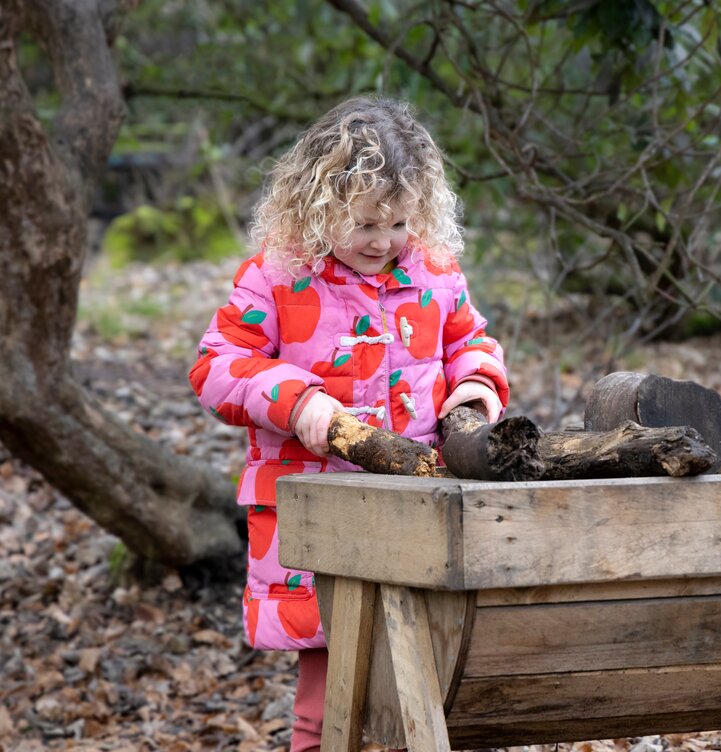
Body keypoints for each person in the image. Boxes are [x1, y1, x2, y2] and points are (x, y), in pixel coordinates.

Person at [188, 96, 509, 751]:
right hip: (316, 515)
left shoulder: (434, 276)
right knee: (329, 672)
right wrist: (297, 400)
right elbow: (218, 366)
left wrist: (474, 389)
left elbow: (469, 340)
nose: (382, 241)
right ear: (318, 206)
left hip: (415, 500)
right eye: (364, 223)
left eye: (397, 223)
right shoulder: (279, 278)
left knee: (422, 669)